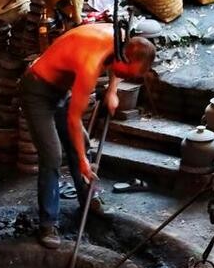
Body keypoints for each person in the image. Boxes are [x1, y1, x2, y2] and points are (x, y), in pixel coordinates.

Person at [19, 25, 156, 248]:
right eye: (127, 74)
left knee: (80, 143)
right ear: (125, 56)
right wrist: (83, 161)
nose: (124, 77)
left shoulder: (121, 40)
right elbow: (74, 120)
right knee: (53, 155)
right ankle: (48, 223)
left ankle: (87, 199)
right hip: (37, 89)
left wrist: (112, 91)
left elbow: (117, 68)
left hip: (60, 89)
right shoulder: (90, 65)